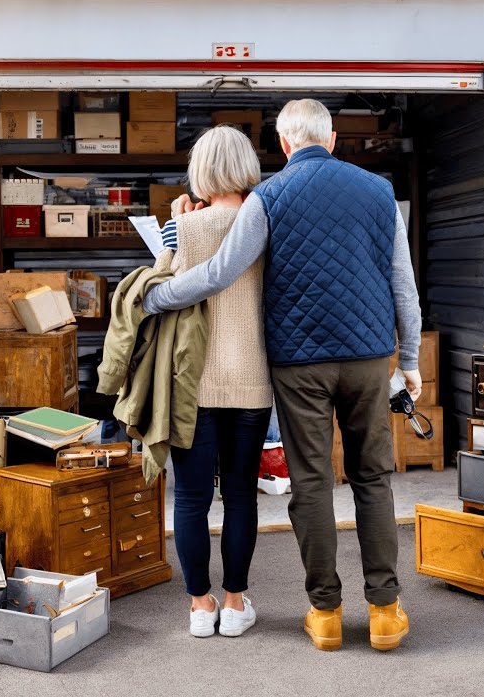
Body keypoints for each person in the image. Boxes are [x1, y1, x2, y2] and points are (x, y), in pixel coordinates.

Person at [144, 99, 422, 652]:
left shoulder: (269, 197)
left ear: (286, 144)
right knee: (373, 481)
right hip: (368, 358)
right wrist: (409, 362)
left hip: (298, 365)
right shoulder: (379, 192)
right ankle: (386, 610)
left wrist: (158, 296)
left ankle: (325, 616)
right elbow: (403, 286)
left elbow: (222, 272)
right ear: (334, 138)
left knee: (313, 485)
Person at [158, 125, 271, 639]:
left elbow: (159, 288)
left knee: (191, 499)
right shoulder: (265, 220)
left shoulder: (185, 227)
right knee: (242, 495)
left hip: (194, 384)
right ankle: (234, 601)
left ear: (199, 171)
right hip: (252, 378)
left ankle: (200, 607)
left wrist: (172, 236)